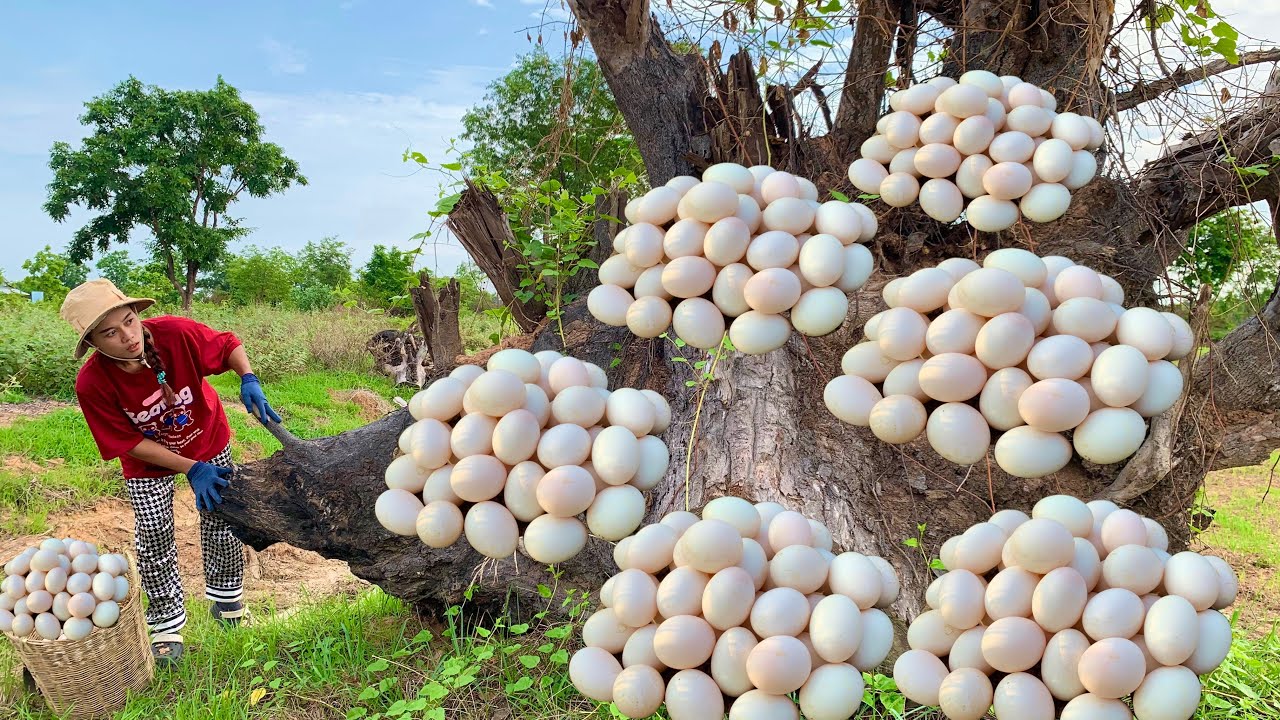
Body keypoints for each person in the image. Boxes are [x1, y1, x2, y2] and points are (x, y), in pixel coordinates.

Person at [59, 279, 281, 664]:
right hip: (148, 462)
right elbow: (125, 442)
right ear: (93, 342)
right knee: (154, 530)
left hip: (208, 438)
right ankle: (166, 623)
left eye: (129, 321)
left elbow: (228, 344)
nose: (128, 337)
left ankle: (228, 605)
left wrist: (248, 377)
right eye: (110, 333)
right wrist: (190, 469)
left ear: (137, 314)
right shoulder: (92, 382)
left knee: (222, 517)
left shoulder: (175, 334)